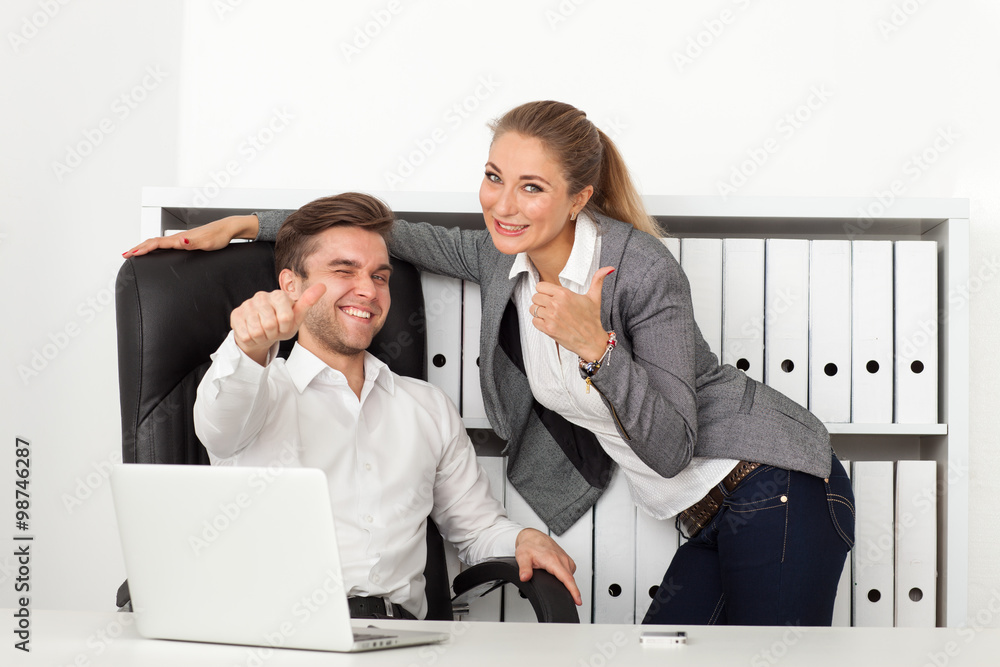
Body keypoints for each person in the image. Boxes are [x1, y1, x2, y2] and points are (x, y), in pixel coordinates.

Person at [126, 100, 854, 626]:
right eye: (493, 176)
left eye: (532, 187)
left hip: (772, 476)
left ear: (579, 197)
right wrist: (252, 225)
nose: (502, 205)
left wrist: (595, 346)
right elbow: (389, 235)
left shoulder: (640, 272)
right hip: (703, 511)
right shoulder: (497, 257)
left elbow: (668, 447)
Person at [191, 191, 581, 621]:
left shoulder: (426, 407)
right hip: (281, 640)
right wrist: (248, 346)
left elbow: (478, 531)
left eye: (380, 276)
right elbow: (220, 423)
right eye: (344, 270)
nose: (368, 291)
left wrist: (521, 538)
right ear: (290, 285)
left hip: (402, 642)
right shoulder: (254, 390)